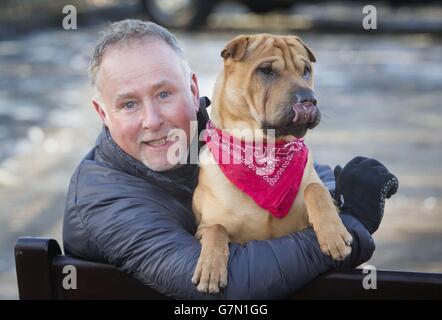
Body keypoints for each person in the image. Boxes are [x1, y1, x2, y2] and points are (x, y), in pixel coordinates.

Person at [63, 19, 397, 299]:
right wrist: (351, 224)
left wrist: (325, 197)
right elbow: (225, 289)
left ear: (194, 91)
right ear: (102, 113)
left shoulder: (220, 136)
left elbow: (301, 174)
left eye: (164, 94)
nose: (152, 120)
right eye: (129, 104)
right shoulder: (103, 201)